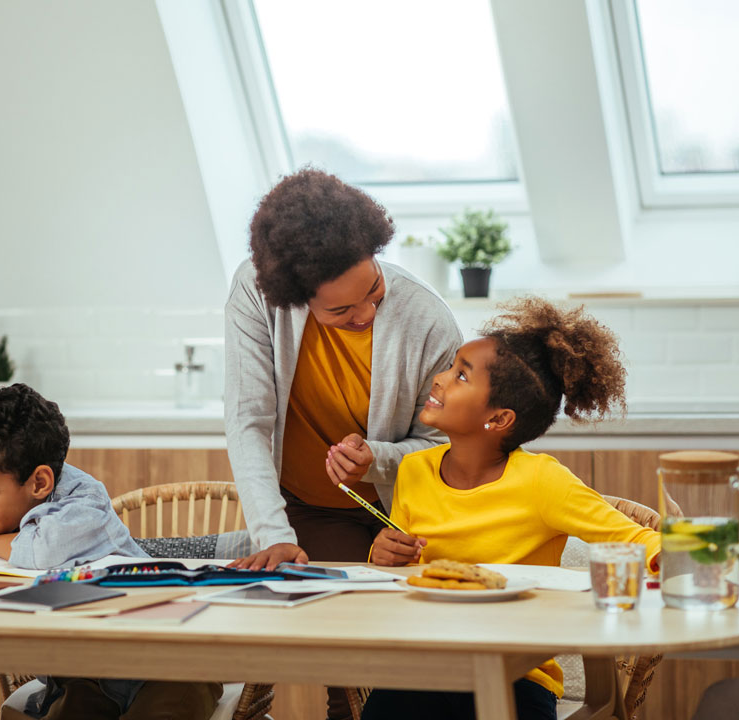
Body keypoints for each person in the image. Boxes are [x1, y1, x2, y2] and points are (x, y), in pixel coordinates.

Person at [358, 297, 663, 720]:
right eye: (450, 367)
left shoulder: (541, 481)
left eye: (460, 375)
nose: (440, 379)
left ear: (498, 419)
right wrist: (383, 554)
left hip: (518, 676)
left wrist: (669, 556)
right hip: (426, 666)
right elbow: (402, 569)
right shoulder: (414, 470)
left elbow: (639, 539)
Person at [0, 383, 221, 720]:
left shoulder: (86, 502)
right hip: (89, 674)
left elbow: (44, 547)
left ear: (39, 483)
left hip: (169, 664)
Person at [225, 167, 462, 572]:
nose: (366, 313)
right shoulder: (256, 291)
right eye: (340, 309)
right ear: (296, 299)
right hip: (310, 511)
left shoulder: (427, 319)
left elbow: (447, 446)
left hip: (412, 513)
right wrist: (275, 536)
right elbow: (248, 420)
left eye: (373, 290)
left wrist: (378, 459)